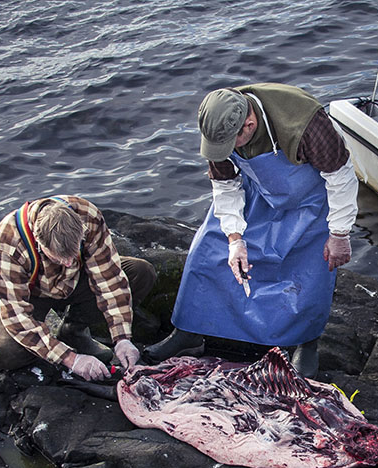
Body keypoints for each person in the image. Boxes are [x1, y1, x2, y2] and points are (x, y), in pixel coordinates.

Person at [145, 83, 358, 378]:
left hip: (312, 199)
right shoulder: (220, 125)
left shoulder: (309, 124)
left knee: (309, 270)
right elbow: (225, 184)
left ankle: (306, 342)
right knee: (207, 249)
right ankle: (190, 331)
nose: (227, 152)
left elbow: (341, 176)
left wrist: (339, 233)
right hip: (258, 191)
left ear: (250, 124)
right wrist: (234, 239)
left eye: (232, 144)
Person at [0, 195, 156, 380]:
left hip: (75, 280)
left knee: (140, 272)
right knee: (6, 354)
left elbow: (109, 280)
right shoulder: (9, 242)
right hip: (28, 293)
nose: (66, 263)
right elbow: (17, 316)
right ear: (38, 241)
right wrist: (70, 359)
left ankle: (73, 330)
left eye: (72, 255)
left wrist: (122, 338)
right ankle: (57, 343)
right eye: (58, 258)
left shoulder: (88, 216)